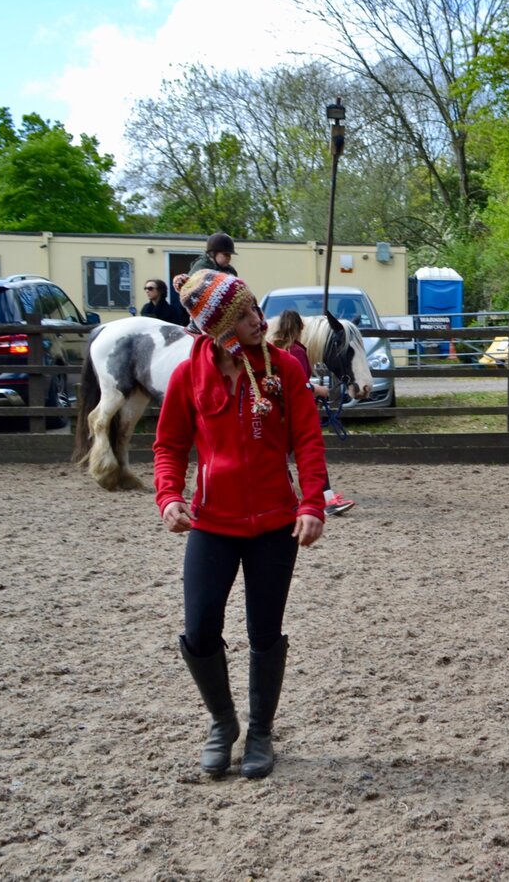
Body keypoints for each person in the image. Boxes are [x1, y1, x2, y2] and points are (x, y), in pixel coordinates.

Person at [155, 269, 327, 780]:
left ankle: (260, 732)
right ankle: (222, 723)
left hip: (276, 524)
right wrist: (169, 496)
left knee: (264, 630)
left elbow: (309, 441)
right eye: (247, 314)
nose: (261, 320)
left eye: (256, 308)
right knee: (200, 626)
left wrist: (311, 503)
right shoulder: (189, 376)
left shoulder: (284, 371)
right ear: (221, 327)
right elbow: (169, 446)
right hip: (211, 523)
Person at [268, 309, 357, 517]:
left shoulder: (275, 350)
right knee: (310, 454)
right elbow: (297, 384)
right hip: (297, 413)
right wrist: (317, 390)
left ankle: (297, 498)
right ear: (301, 328)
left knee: (282, 457)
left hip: (282, 412)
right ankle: (325, 500)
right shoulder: (297, 351)